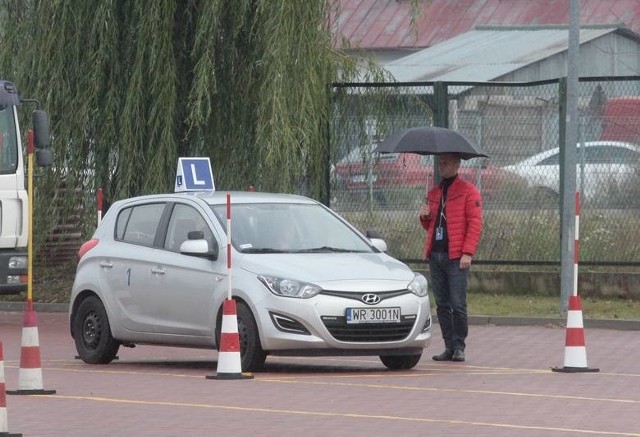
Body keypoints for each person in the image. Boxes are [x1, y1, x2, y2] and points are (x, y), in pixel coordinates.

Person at [419, 152, 483, 362]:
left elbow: (475, 224)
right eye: (440, 163)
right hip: (436, 254)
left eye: (445, 163)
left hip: (456, 257)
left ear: (456, 165)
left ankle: (459, 345)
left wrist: (467, 253)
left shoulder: (468, 192)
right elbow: (430, 226)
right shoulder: (434, 192)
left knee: (458, 303)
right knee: (442, 303)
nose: (441, 167)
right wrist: (425, 216)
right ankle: (448, 345)